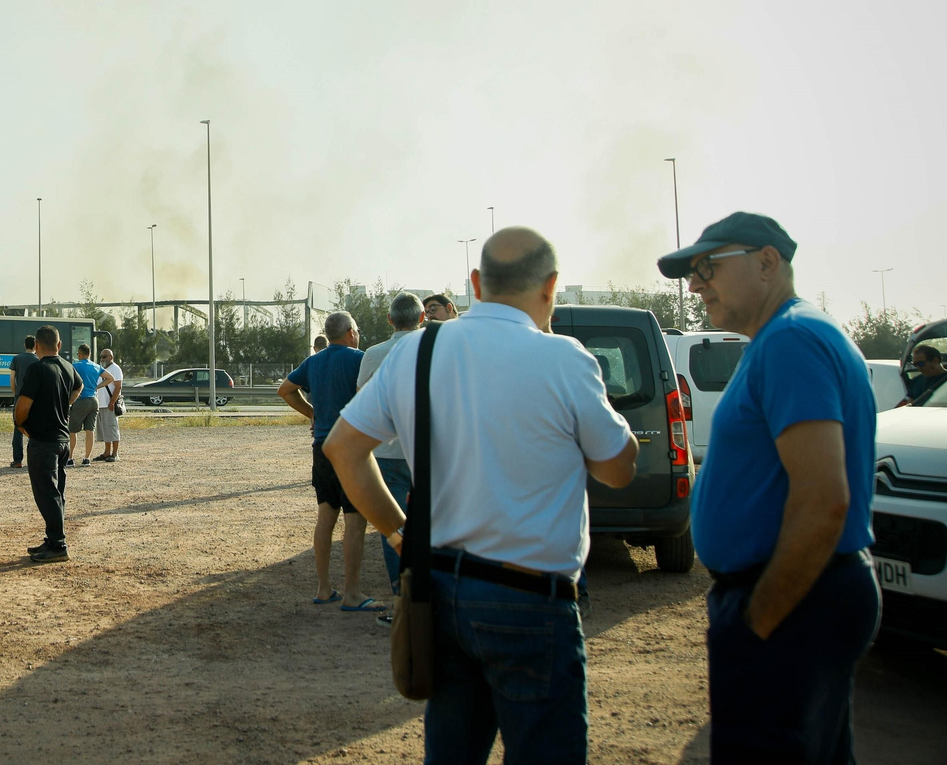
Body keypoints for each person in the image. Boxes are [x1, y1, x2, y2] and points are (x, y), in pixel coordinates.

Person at [326, 227, 638, 763]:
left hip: (441, 593)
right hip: (532, 600)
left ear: (474, 283)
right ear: (552, 287)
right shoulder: (566, 359)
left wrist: (400, 534)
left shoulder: (417, 351)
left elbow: (342, 448)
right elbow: (617, 470)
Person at [657, 212, 879, 762]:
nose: (694, 284)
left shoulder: (792, 340)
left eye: (709, 266)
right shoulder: (786, 336)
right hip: (804, 595)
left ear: (767, 262)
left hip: (794, 599)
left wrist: (757, 621)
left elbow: (824, 500)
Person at [278, 312, 379, 612]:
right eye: (357, 330)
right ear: (349, 333)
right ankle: (353, 593)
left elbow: (285, 390)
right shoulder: (360, 359)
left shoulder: (314, 361)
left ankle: (324, 588)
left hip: (322, 447)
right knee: (355, 521)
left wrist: (312, 414)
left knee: (326, 517)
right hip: (351, 448)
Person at [354, 292, 424, 619]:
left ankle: (402, 601)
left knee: (394, 527)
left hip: (387, 451)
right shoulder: (437, 348)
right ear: (422, 318)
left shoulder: (374, 354)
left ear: (389, 319)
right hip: (428, 451)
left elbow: (361, 398)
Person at [15, 325, 81, 563]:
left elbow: (23, 404)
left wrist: (20, 424)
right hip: (62, 440)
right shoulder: (67, 366)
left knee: (46, 494)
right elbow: (79, 387)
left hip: (42, 441)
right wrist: (64, 404)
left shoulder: (37, 369)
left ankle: (58, 544)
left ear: (37, 346)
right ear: (59, 345)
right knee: (57, 493)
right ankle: (52, 540)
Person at [69, 344, 103, 467]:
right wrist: (97, 387)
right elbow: (110, 378)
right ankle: (86, 458)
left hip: (81, 399)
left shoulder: (75, 366)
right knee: (90, 430)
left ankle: (70, 457)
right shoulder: (96, 366)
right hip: (94, 400)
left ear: (80, 354)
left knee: (73, 430)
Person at [8, 335, 39, 469]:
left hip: (20, 396)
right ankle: (35, 459)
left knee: (18, 428)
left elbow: (12, 378)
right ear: (35, 345)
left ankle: (18, 460)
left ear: (24, 344)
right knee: (36, 428)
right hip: (35, 398)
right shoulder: (38, 359)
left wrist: (15, 392)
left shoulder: (17, 358)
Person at [94, 347, 124, 462]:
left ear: (111, 357)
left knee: (112, 428)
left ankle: (115, 453)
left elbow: (118, 386)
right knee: (105, 430)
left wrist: (112, 402)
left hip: (109, 404)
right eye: (101, 356)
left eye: (104, 356)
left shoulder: (115, 368)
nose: (102, 359)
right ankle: (106, 452)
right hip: (101, 404)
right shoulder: (102, 369)